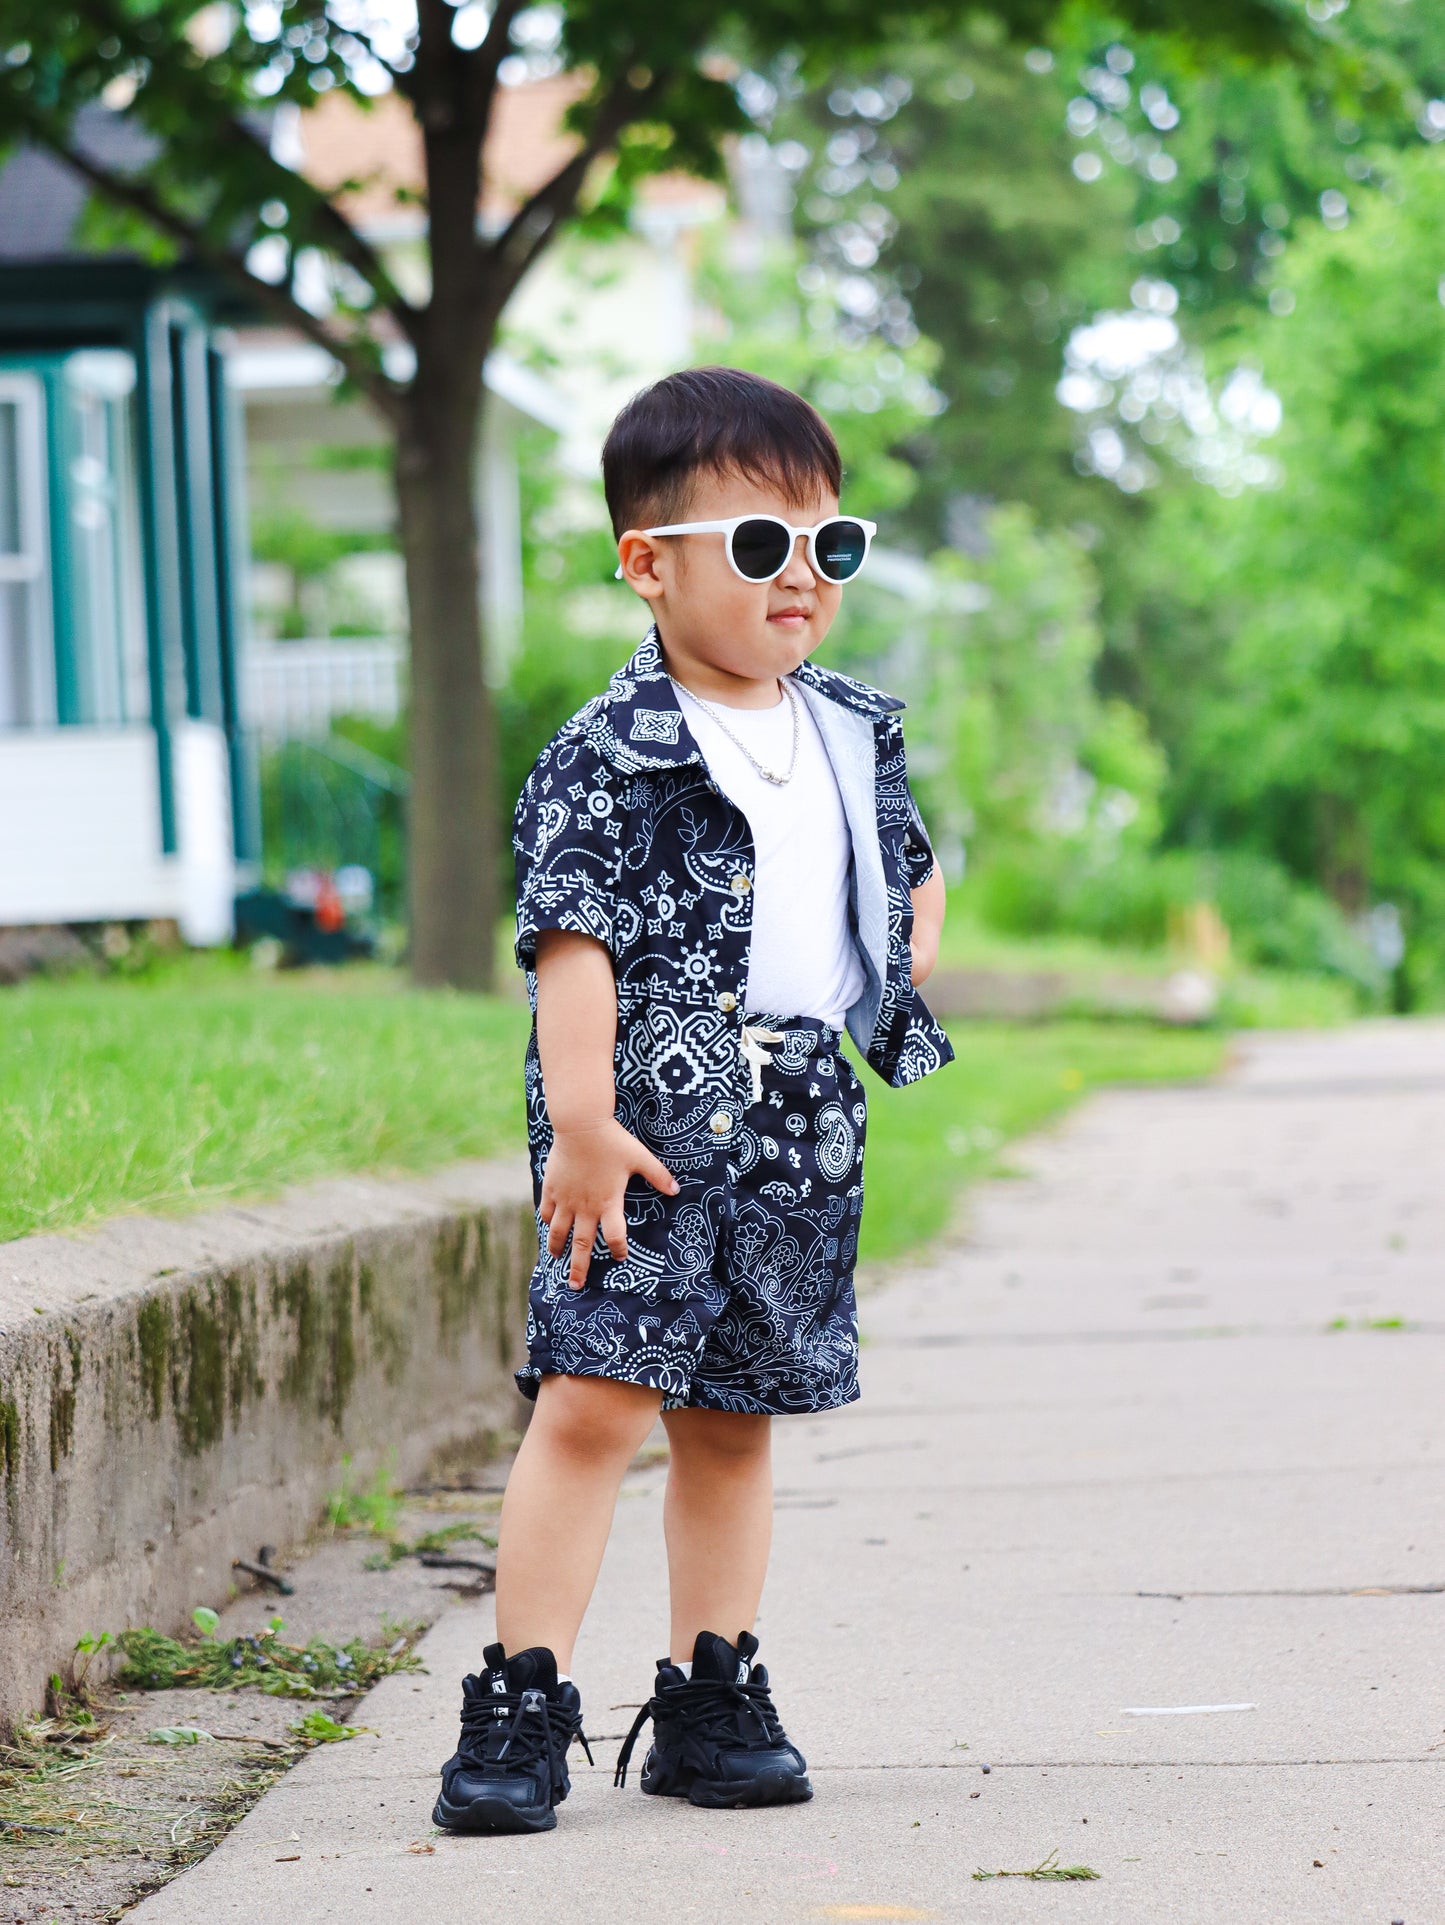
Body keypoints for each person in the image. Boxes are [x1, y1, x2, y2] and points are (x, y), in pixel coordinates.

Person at [434, 366, 953, 1836]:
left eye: (827, 544)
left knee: (735, 1417)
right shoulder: (610, 752)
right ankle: (522, 1695)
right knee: (596, 1402)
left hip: (796, 1115)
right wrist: (583, 1122)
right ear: (647, 566)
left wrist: (904, 939)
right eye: (755, 545)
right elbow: (571, 951)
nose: (800, 575)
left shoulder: (848, 728)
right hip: (643, 1130)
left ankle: (710, 1687)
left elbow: (899, 868)